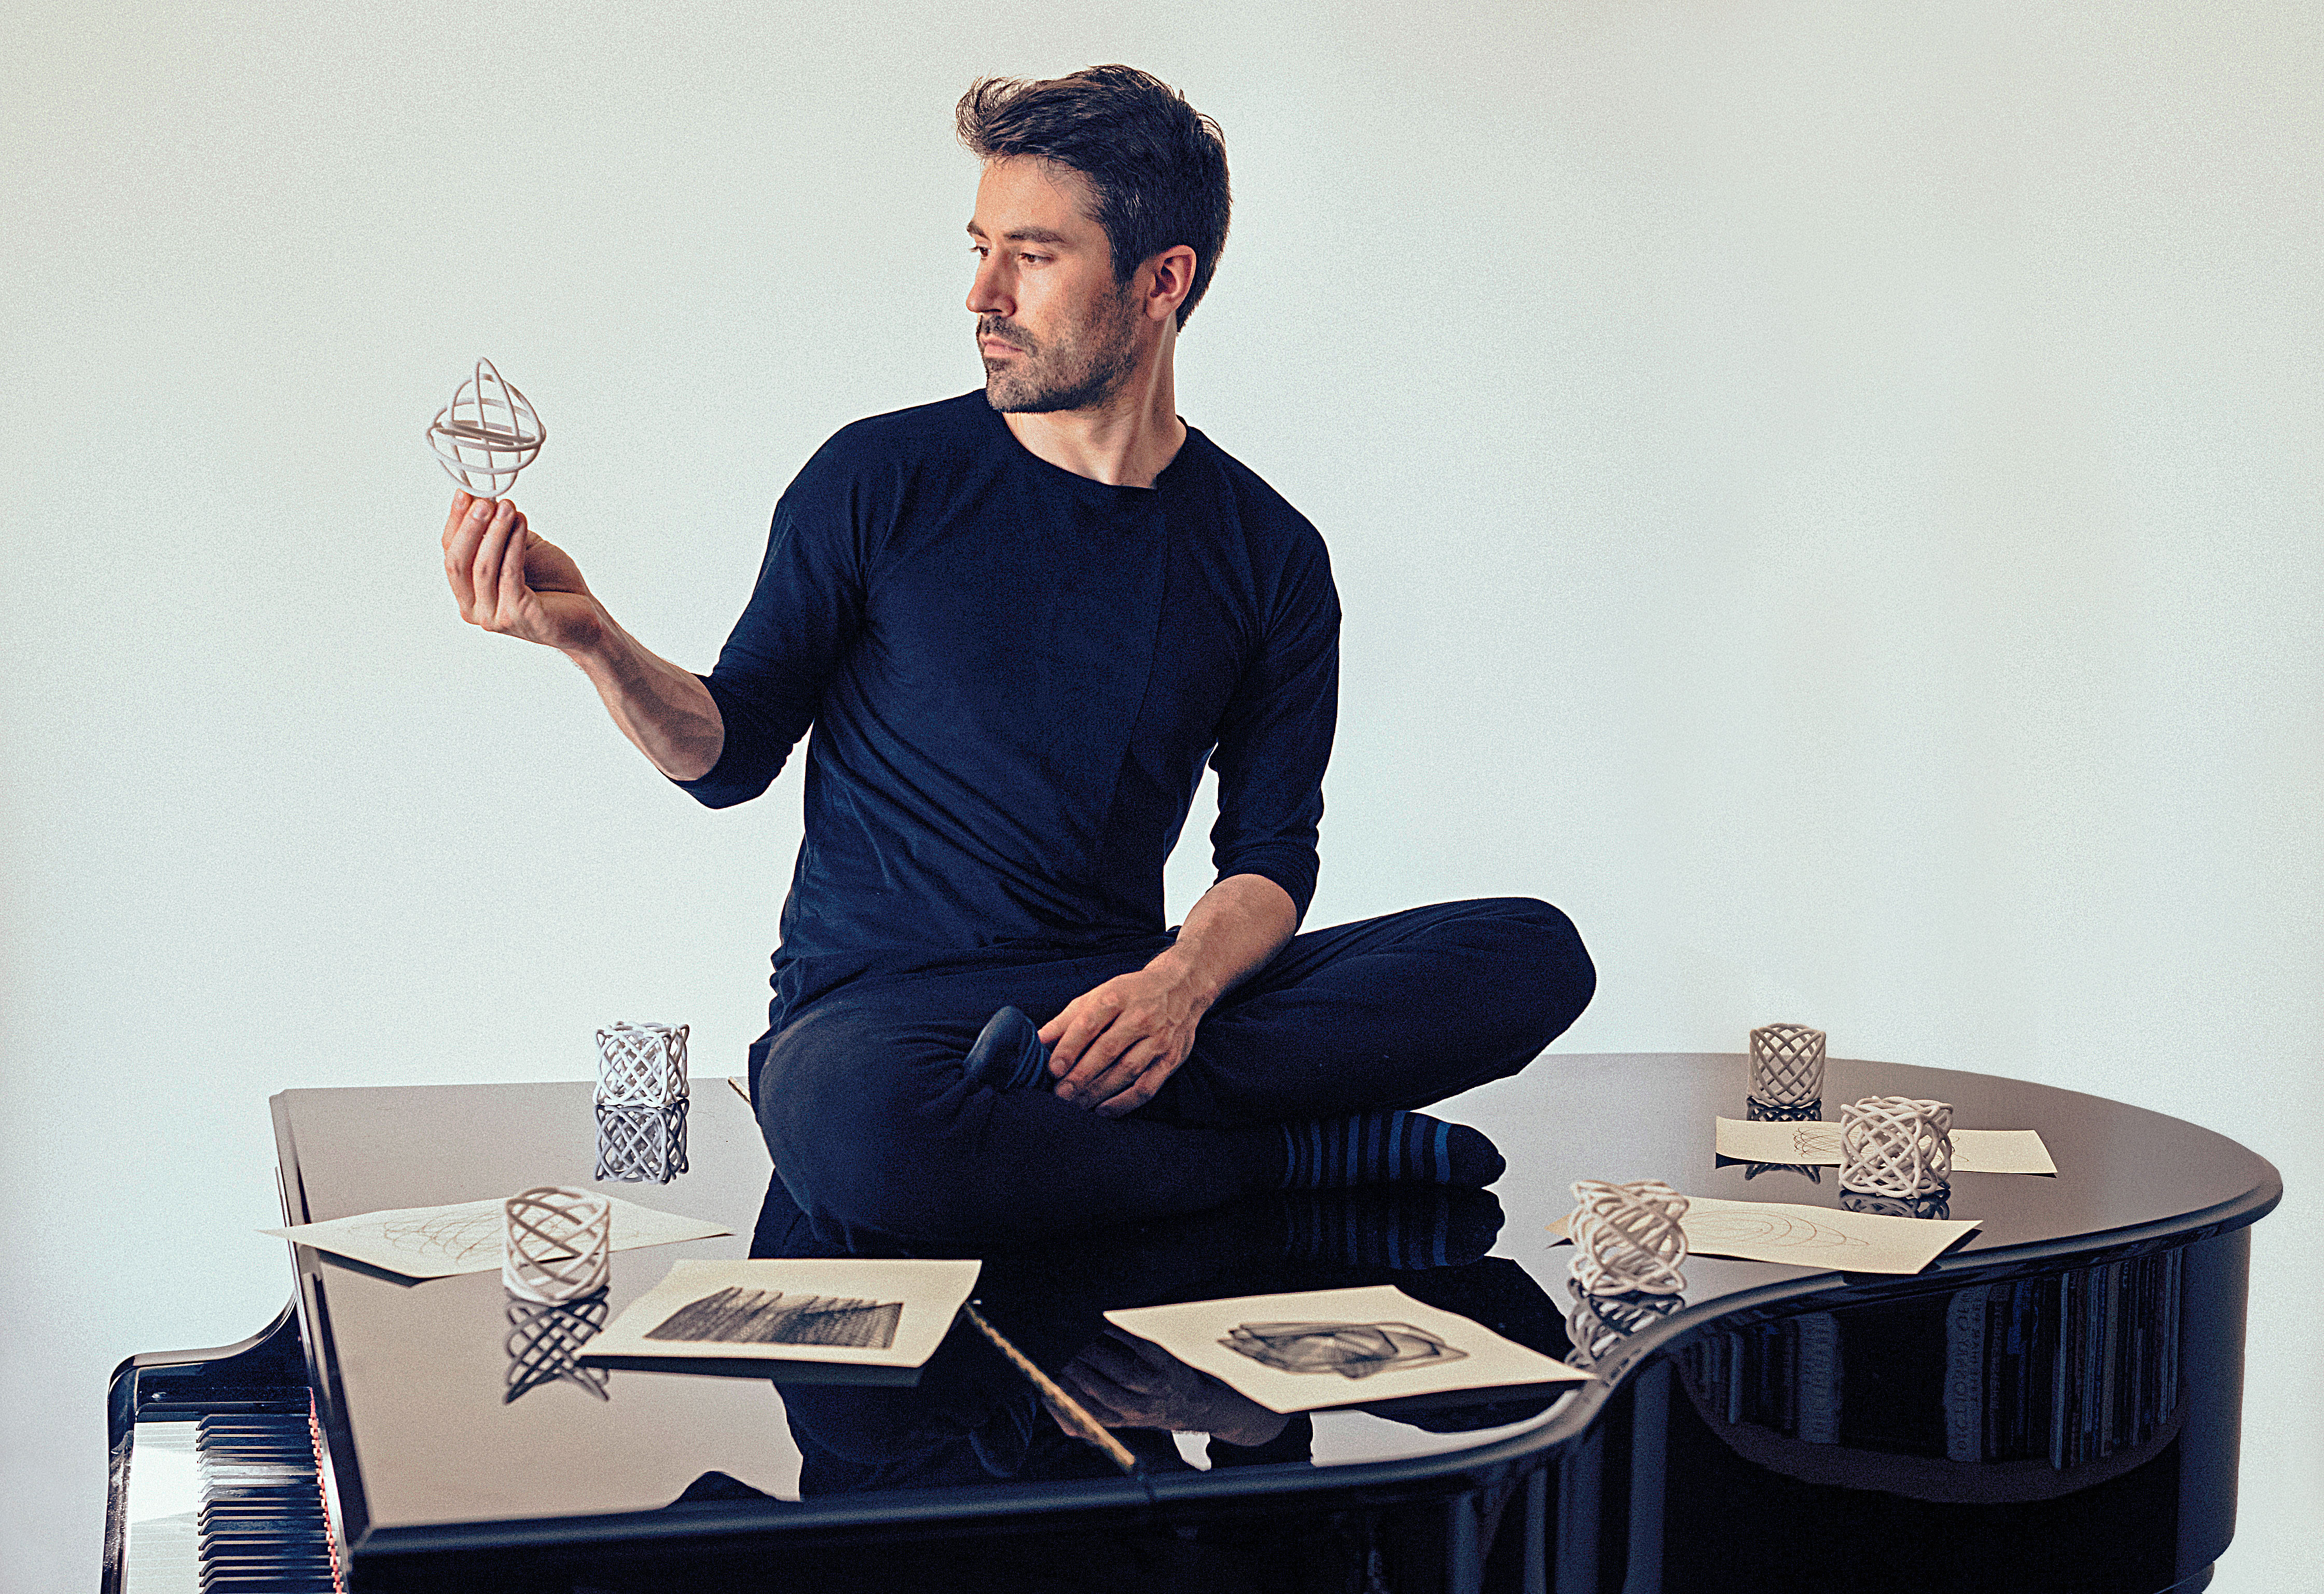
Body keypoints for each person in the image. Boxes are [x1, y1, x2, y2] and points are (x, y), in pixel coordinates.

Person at [438, 65, 1594, 1252]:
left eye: (1030, 257)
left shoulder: (1268, 553)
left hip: (1118, 997)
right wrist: (591, 640)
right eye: (980, 249)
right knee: (860, 1125)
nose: (981, 295)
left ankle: (1064, 1123)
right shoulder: (876, 479)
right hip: (882, 1021)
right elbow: (726, 756)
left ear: (1161, 281)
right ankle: (1287, 1155)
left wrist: (1176, 990)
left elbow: (1267, 859)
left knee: (1529, 956)